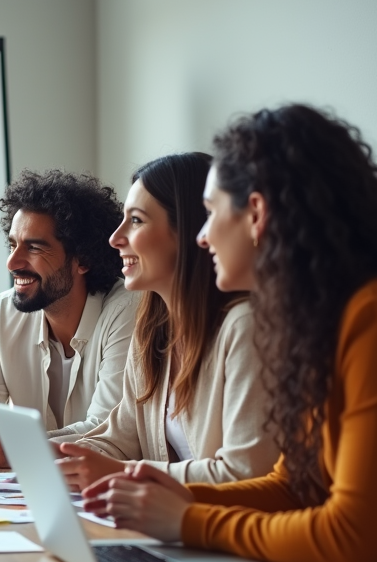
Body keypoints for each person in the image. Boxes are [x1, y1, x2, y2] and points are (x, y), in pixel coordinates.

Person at [82, 105, 377, 562]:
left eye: (211, 213)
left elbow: (353, 537)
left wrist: (188, 519)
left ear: (256, 213)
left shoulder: (367, 319)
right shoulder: (318, 325)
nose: (202, 237)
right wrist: (154, 496)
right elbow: (292, 486)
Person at [57, 153, 279, 490]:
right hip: (180, 530)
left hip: (229, 533)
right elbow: (119, 440)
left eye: (136, 220)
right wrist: (48, 455)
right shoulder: (153, 332)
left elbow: (246, 473)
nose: (115, 238)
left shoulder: (244, 327)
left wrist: (123, 474)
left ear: (189, 231)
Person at [0, 169, 137, 468]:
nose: (12, 262)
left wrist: (23, 447)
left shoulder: (127, 310)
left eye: (34, 247)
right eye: (12, 245)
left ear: (83, 259)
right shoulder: (4, 313)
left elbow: (108, 434)